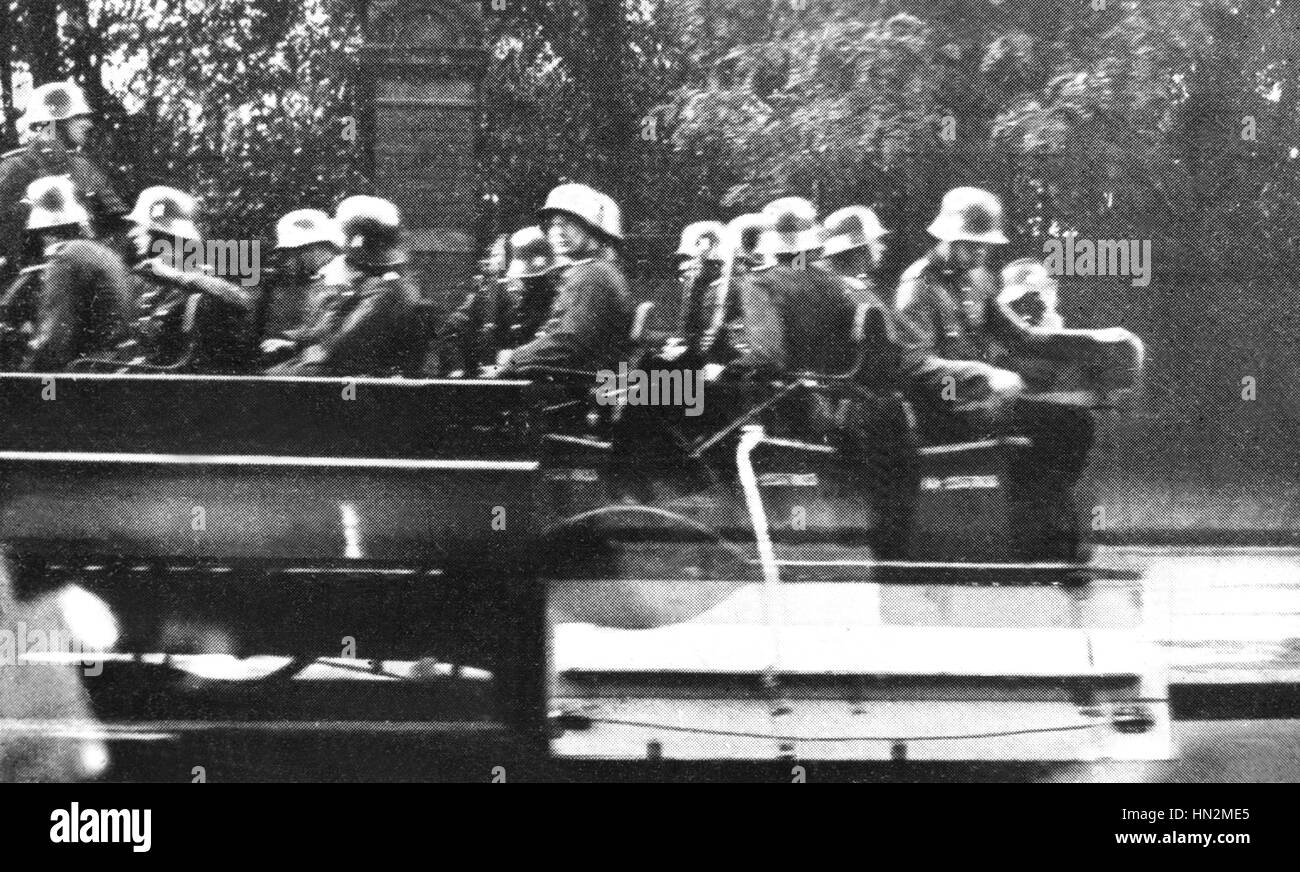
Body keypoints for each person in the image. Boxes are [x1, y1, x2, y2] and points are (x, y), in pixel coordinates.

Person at [893, 186, 1026, 442]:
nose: (980, 254)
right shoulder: (918, 286)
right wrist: (986, 375)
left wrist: (1086, 343)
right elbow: (915, 365)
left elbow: (1017, 335)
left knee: (1068, 419)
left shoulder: (980, 279)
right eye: (972, 245)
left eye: (985, 246)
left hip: (983, 395)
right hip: (943, 401)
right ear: (946, 239)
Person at [269, 195, 425, 377]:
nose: (343, 249)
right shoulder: (379, 282)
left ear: (362, 242)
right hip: (351, 377)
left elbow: (339, 348)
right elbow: (332, 330)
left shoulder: (385, 288)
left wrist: (293, 358)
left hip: (359, 385)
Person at [0, 82, 127, 289]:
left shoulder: (84, 167)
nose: (89, 124)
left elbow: (120, 225)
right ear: (56, 121)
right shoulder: (15, 167)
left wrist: (192, 255)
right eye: (79, 117)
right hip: (25, 286)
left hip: (85, 281)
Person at [499, 183, 633, 376]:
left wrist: (512, 361)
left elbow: (569, 340)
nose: (556, 231)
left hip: (580, 388)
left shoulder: (593, 275)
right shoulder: (595, 271)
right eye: (553, 224)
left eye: (568, 223)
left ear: (592, 228)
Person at [125, 186, 256, 373]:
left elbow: (243, 301)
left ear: (163, 235)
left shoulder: (196, 274)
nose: (132, 234)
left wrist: (175, 276)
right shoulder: (149, 277)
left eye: (142, 229)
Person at [16, 176, 133, 371]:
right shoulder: (103, 252)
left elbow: (54, 339)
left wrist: (24, 373)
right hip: (111, 367)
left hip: (83, 377)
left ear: (45, 232)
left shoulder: (65, 257)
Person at [259, 209, 348, 362]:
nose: (289, 260)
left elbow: (331, 327)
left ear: (313, 248)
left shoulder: (339, 277)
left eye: (293, 253)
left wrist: (291, 340)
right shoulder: (323, 276)